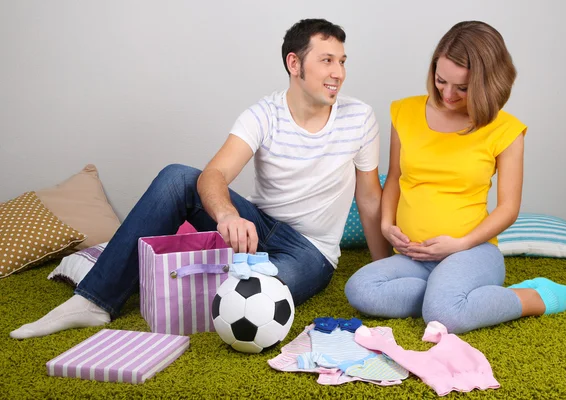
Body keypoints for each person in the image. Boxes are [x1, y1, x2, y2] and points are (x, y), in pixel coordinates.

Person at [11, 18, 389, 339]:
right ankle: (95, 300)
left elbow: (369, 198)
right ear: (295, 63)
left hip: (310, 252)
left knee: (253, 302)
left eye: (341, 61)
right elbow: (215, 174)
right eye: (326, 60)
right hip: (259, 229)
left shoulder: (358, 117)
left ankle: (161, 276)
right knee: (179, 177)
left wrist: (381, 268)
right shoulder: (263, 114)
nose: (338, 72)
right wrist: (226, 215)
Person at [345, 21, 566, 334]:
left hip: (472, 252)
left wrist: (460, 244)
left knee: (446, 316)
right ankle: (447, 293)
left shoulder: (506, 130)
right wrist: (386, 225)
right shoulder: (404, 113)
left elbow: (508, 209)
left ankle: (537, 296)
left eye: (462, 88)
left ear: (486, 83)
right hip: (416, 255)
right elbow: (394, 177)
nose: (447, 94)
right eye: (440, 80)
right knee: (360, 289)